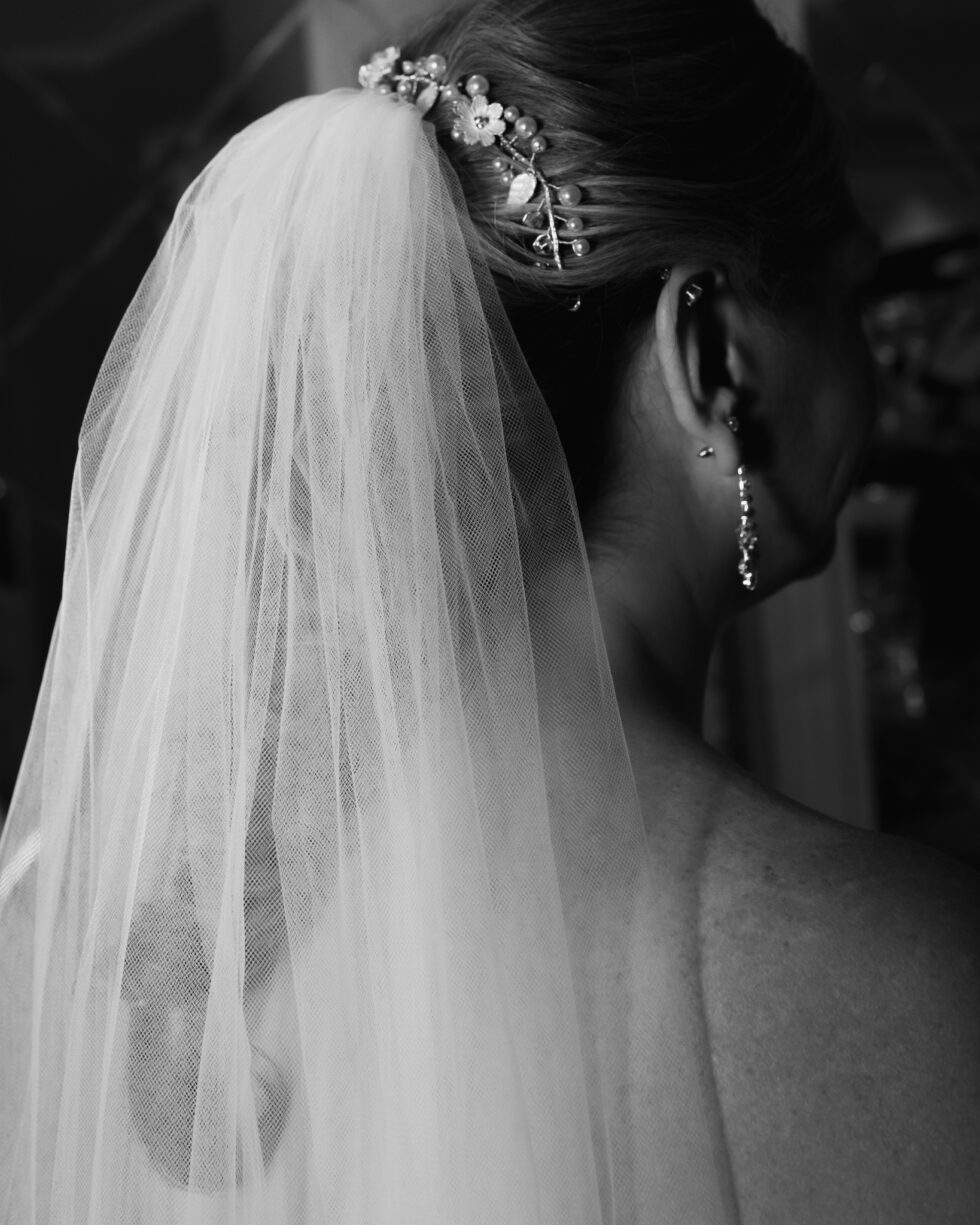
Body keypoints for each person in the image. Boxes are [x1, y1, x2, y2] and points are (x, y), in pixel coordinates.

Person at [0, 0, 976, 1222]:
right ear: (710, 349)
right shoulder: (900, 982)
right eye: (847, 291)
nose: (875, 365)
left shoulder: (92, 950)